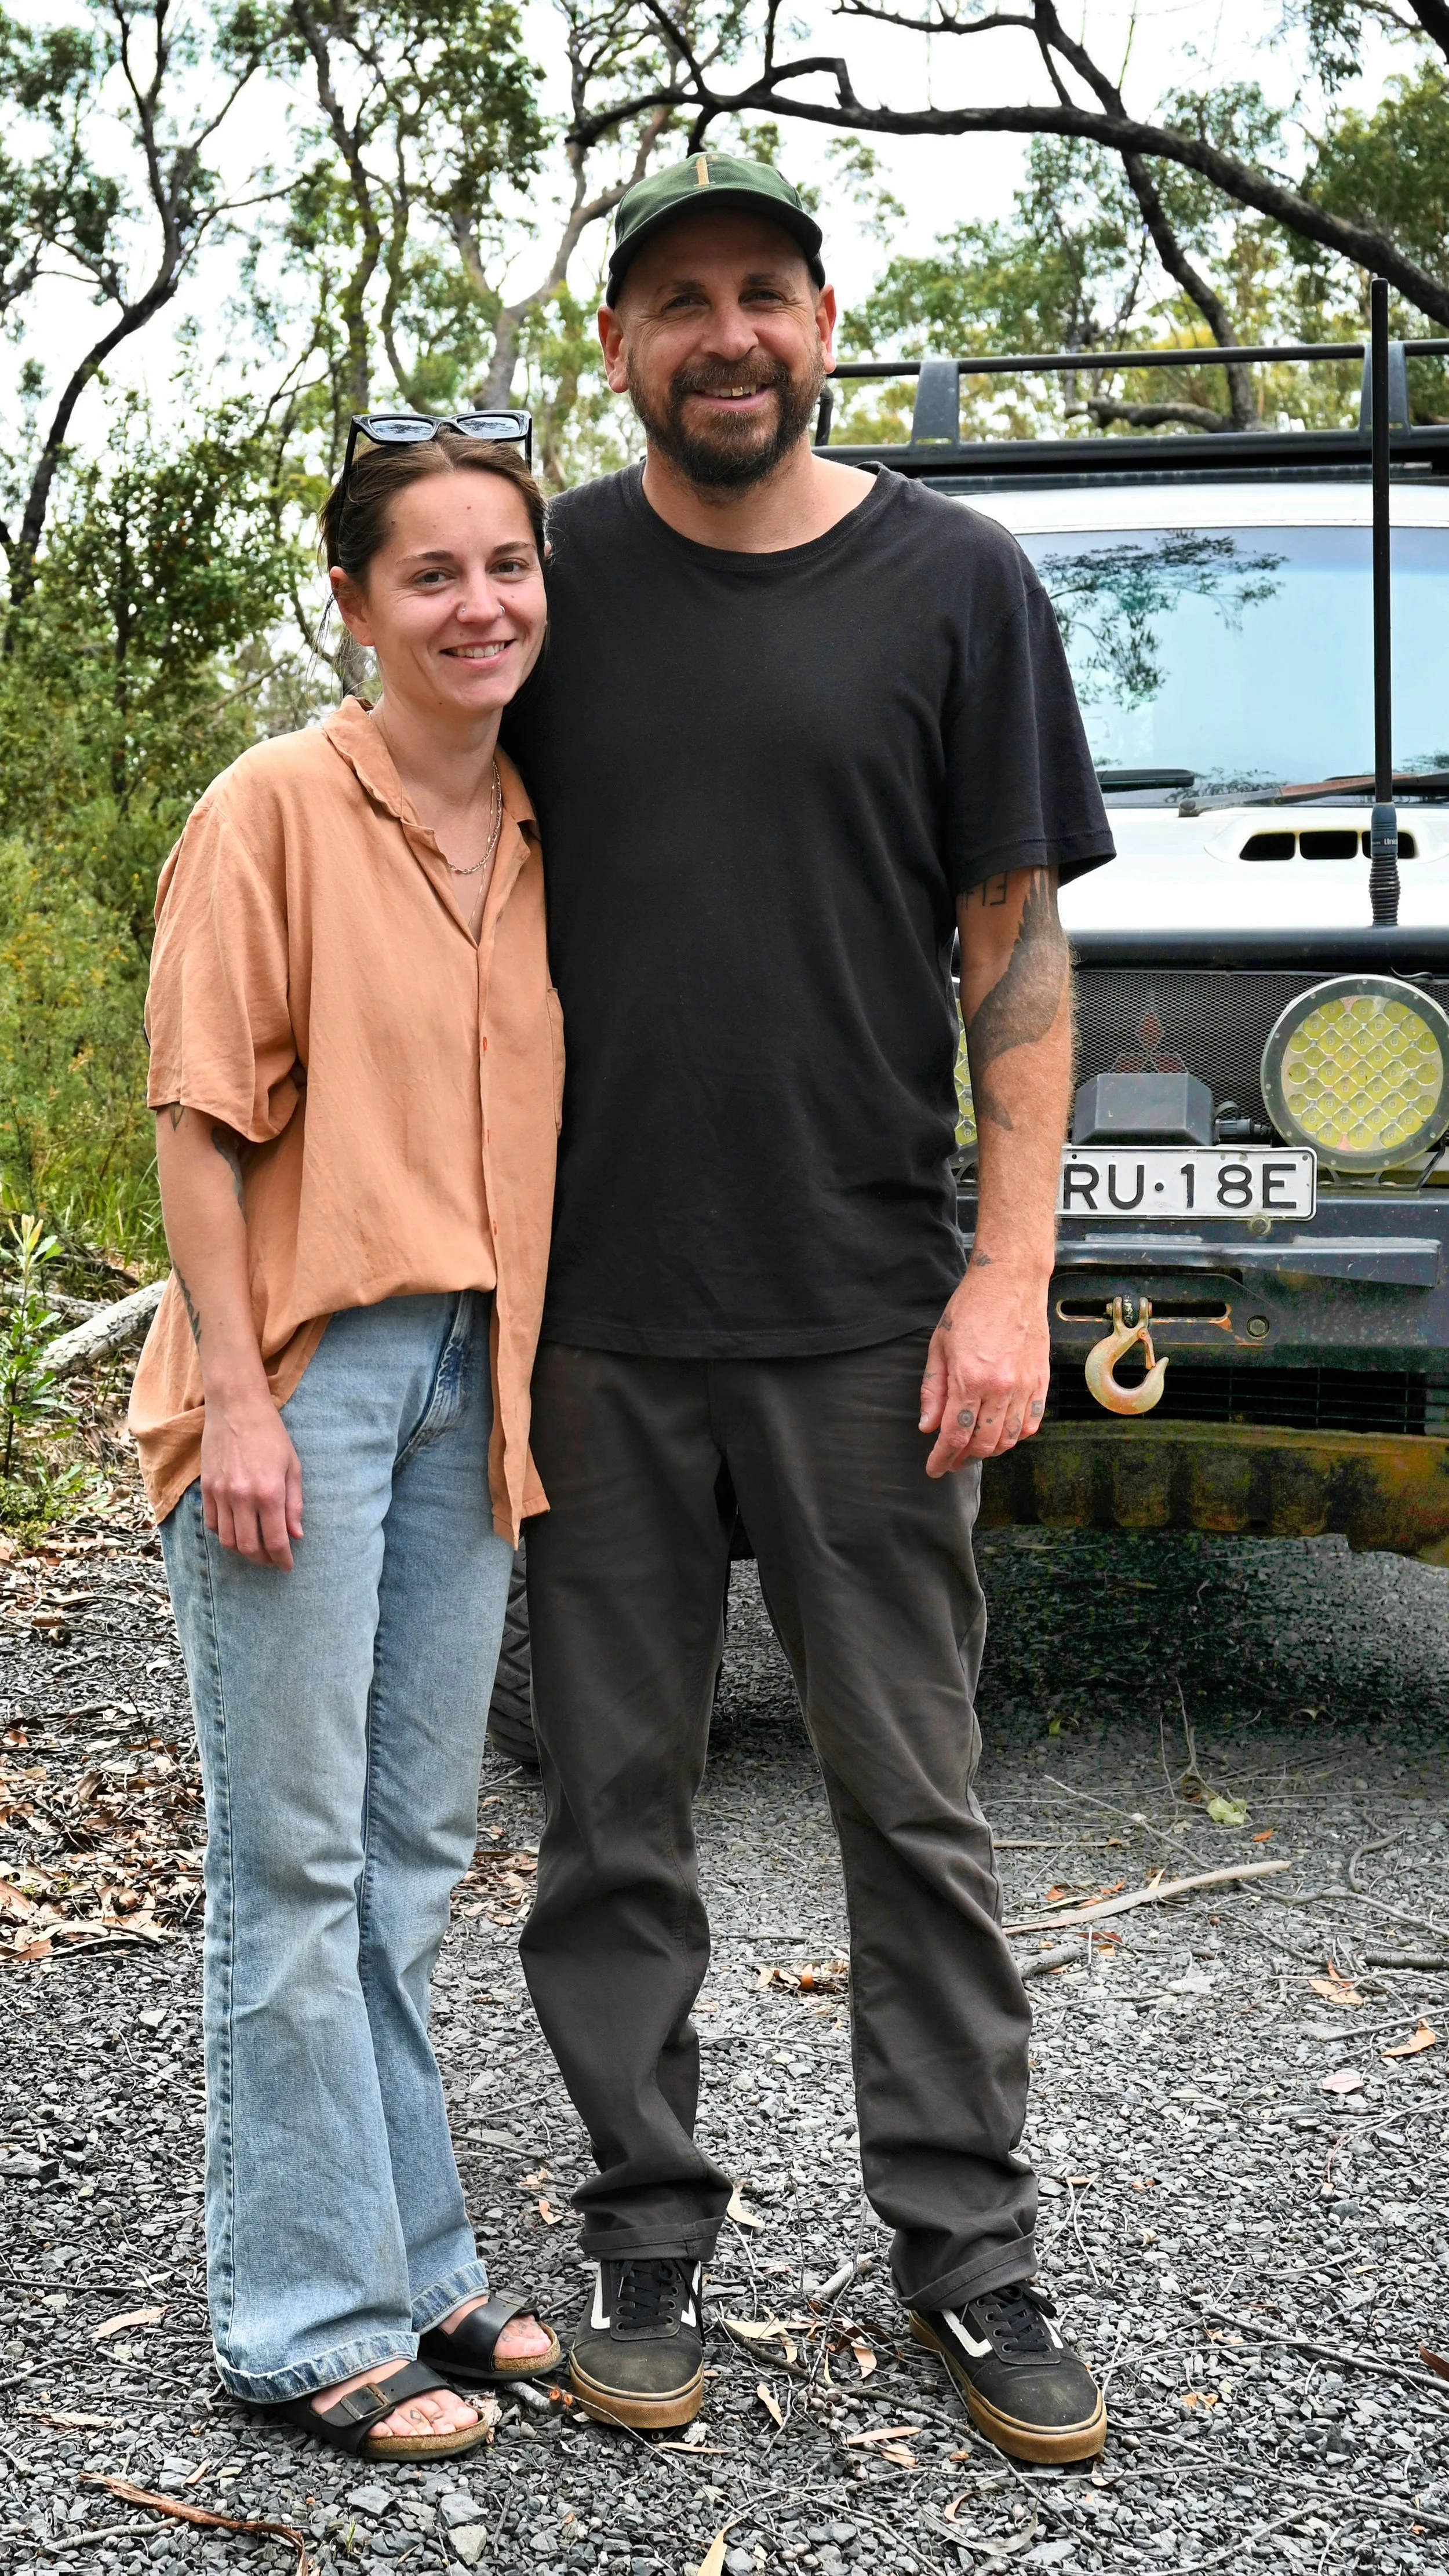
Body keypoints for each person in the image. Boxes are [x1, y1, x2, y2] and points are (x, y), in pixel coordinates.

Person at [502, 155, 1116, 2461]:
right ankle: (643, 2229)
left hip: (869, 1304)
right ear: (618, 347)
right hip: (592, 1318)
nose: (726, 334)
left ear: (826, 321)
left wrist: (1009, 1274)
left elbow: (1017, 959)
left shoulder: (956, 582)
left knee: (914, 1804)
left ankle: (968, 2253)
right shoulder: (544, 579)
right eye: (677, 301)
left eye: (763, 291)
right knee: (611, 1811)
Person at [129, 421, 565, 2458]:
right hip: (301, 1373)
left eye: (508, 565)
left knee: (409, 1855)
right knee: (293, 1863)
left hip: (480, 1378)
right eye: (431, 573)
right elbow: (198, 1116)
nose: (479, 605)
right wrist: (235, 1392)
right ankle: (305, 2314)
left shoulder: (546, 827)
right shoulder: (274, 809)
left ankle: (416, 2254)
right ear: (356, 603)